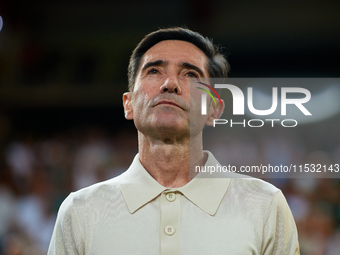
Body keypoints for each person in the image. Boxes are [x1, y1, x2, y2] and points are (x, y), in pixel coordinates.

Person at [48, 27, 300, 255]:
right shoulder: (79, 212)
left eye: (190, 74)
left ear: (213, 110)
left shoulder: (265, 206)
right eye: (154, 71)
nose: (170, 84)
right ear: (129, 104)